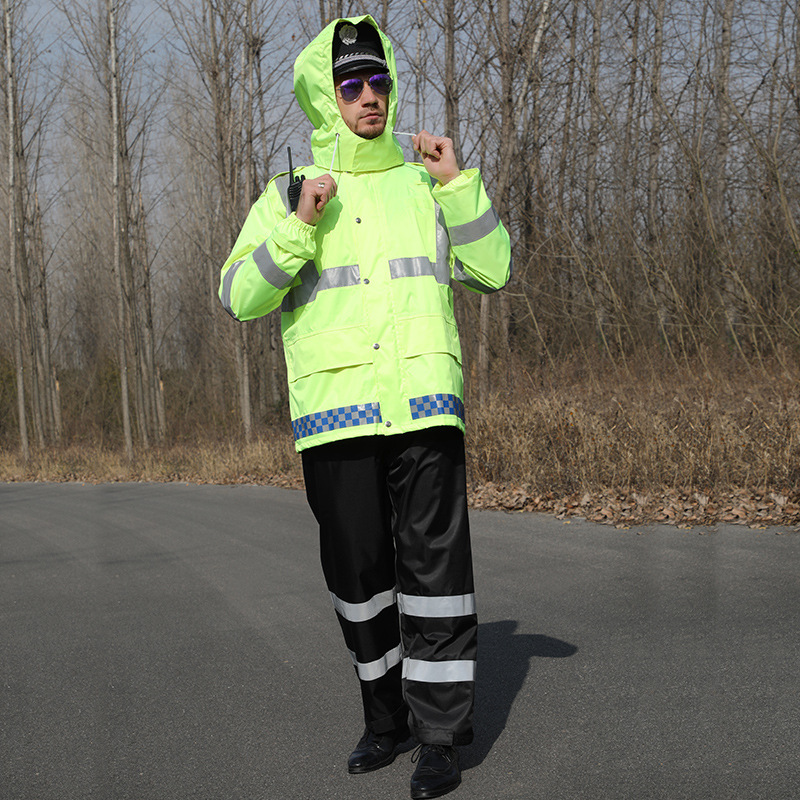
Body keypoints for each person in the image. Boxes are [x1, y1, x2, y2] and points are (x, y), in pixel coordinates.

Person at [219, 15, 510, 799]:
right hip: (336, 415)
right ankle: (386, 720)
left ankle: (441, 735)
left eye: (378, 80)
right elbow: (239, 296)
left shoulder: (426, 182)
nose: (369, 96)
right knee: (360, 579)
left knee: (437, 575)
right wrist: (296, 228)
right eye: (352, 84)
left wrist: (459, 183)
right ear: (326, 96)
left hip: (423, 407)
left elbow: (494, 269)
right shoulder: (289, 194)